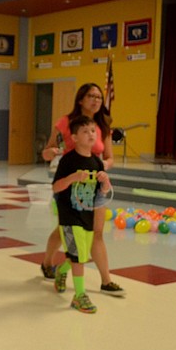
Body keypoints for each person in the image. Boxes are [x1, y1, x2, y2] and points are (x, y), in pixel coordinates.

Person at [40, 83, 125, 297]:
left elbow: (109, 157)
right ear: (81, 99)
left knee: (95, 232)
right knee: (64, 230)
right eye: (91, 96)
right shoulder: (66, 122)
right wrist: (53, 152)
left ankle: (106, 280)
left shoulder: (102, 126)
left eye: (98, 96)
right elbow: (48, 152)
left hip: (93, 187)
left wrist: (101, 167)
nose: (96, 100)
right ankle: (48, 262)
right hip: (70, 187)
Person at [52, 115, 113, 314]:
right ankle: (79, 295)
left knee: (81, 256)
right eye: (85, 131)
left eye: (93, 131)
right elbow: (56, 187)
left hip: (86, 215)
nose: (91, 134)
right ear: (75, 137)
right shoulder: (68, 161)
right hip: (69, 216)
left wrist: (104, 183)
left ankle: (61, 271)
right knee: (77, 254)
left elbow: (101, 194)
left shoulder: (97, 162)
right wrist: (73, 178)